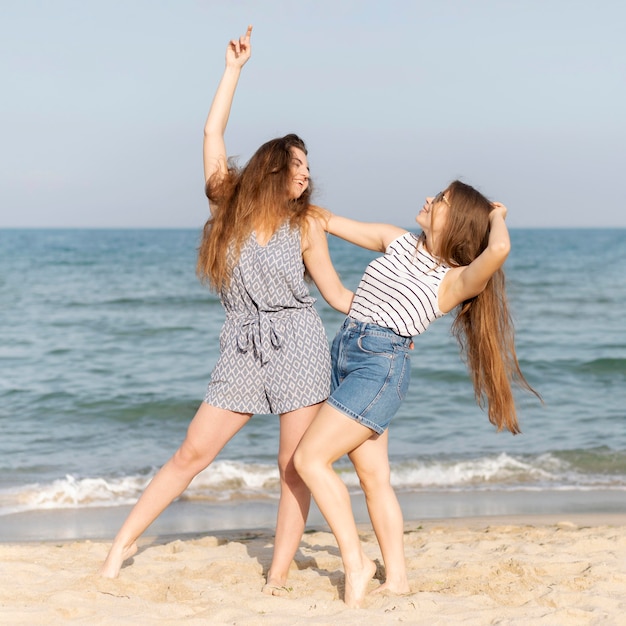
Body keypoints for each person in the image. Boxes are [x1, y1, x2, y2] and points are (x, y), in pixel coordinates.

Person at [99, 25, 353, 595]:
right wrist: (234, 70)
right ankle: (121, 545)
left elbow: (336, 296)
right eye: (298, 164)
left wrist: (396, 310)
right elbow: (212, 130)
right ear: (273, 168)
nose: (307, 173)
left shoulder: (307, 225)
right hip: (241, 343)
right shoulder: (228, 204)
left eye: (309, 166)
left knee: (293, 465)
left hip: (299, 343)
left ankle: (279, 574)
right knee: (193, 450)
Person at [294, 181, 541, 608]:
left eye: (441, 200)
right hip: (347, 354)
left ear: (457, 222)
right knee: (374, 479)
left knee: (309, 460)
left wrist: (497, 215)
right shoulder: (398, 240)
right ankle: (400, 578)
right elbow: (327, 221)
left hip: (380, 367)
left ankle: (356, 563)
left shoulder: (454, 281)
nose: (429, 199)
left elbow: (497, 251)